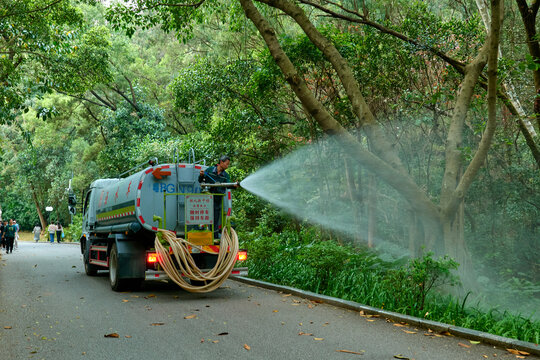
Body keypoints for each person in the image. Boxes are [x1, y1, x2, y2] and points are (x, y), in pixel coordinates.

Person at [198, 155, 238, 238]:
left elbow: (228, 184)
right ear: (221, 162)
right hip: (206, 199)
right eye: (226, 164)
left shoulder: (225, 175)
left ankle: (214, 237)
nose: (227, 166)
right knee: (204, 217)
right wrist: (201, 175)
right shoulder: (209, 170)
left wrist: (234, 185)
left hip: (217, 199)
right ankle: (202, 234)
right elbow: (200, 180)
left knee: (215, 219)